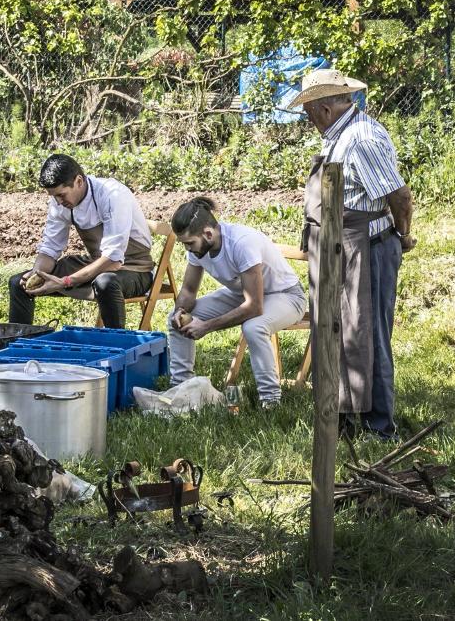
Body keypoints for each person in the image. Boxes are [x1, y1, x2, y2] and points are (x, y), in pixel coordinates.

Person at [289, 68, 415, 441]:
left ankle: (378, 425)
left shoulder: (360, 138)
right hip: (338, 248)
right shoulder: (339, 133)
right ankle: (344, 412)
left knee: (367, 331)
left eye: (310, 112)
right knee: (339, 330)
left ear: (325, 109)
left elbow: (399, 196)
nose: (309, 120)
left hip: (368, 248)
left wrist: (403, 235)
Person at [166, 197, 307, 407]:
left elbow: (254, 306)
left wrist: (206, 326)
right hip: (243, 293)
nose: (187, 249)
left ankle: (270, 401)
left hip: (286, 295)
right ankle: (182, 389)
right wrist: (181, 311)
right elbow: (188, 291)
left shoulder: (242, 243)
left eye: (189, 243)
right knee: (174, 319)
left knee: (254, 327)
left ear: (207, 233)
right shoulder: (199, 248)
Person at [8, 154, 154, 328]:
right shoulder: (59, 202)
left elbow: (113, 259)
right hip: (96, 264)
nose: (59, 202)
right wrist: (37, 273)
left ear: (78, 181)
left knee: (105, 283)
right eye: (54, 197)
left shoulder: (112, 195)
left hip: (134, 269)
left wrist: (66, 281)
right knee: (19, 284)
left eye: (62, 195)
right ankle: (18, 347)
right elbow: (50, 248)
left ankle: (116, 347)